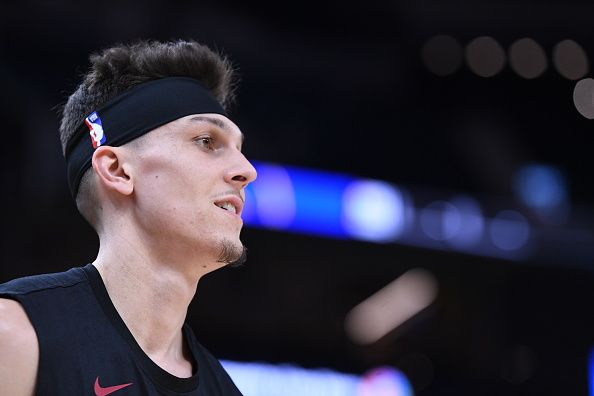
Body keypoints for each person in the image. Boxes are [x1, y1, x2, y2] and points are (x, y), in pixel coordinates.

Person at [0, 40, 257, 395]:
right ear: (118, 171)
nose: (246, 171)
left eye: (240, 150)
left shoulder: (224, 389)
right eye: (206, 141)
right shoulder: (15, 334)